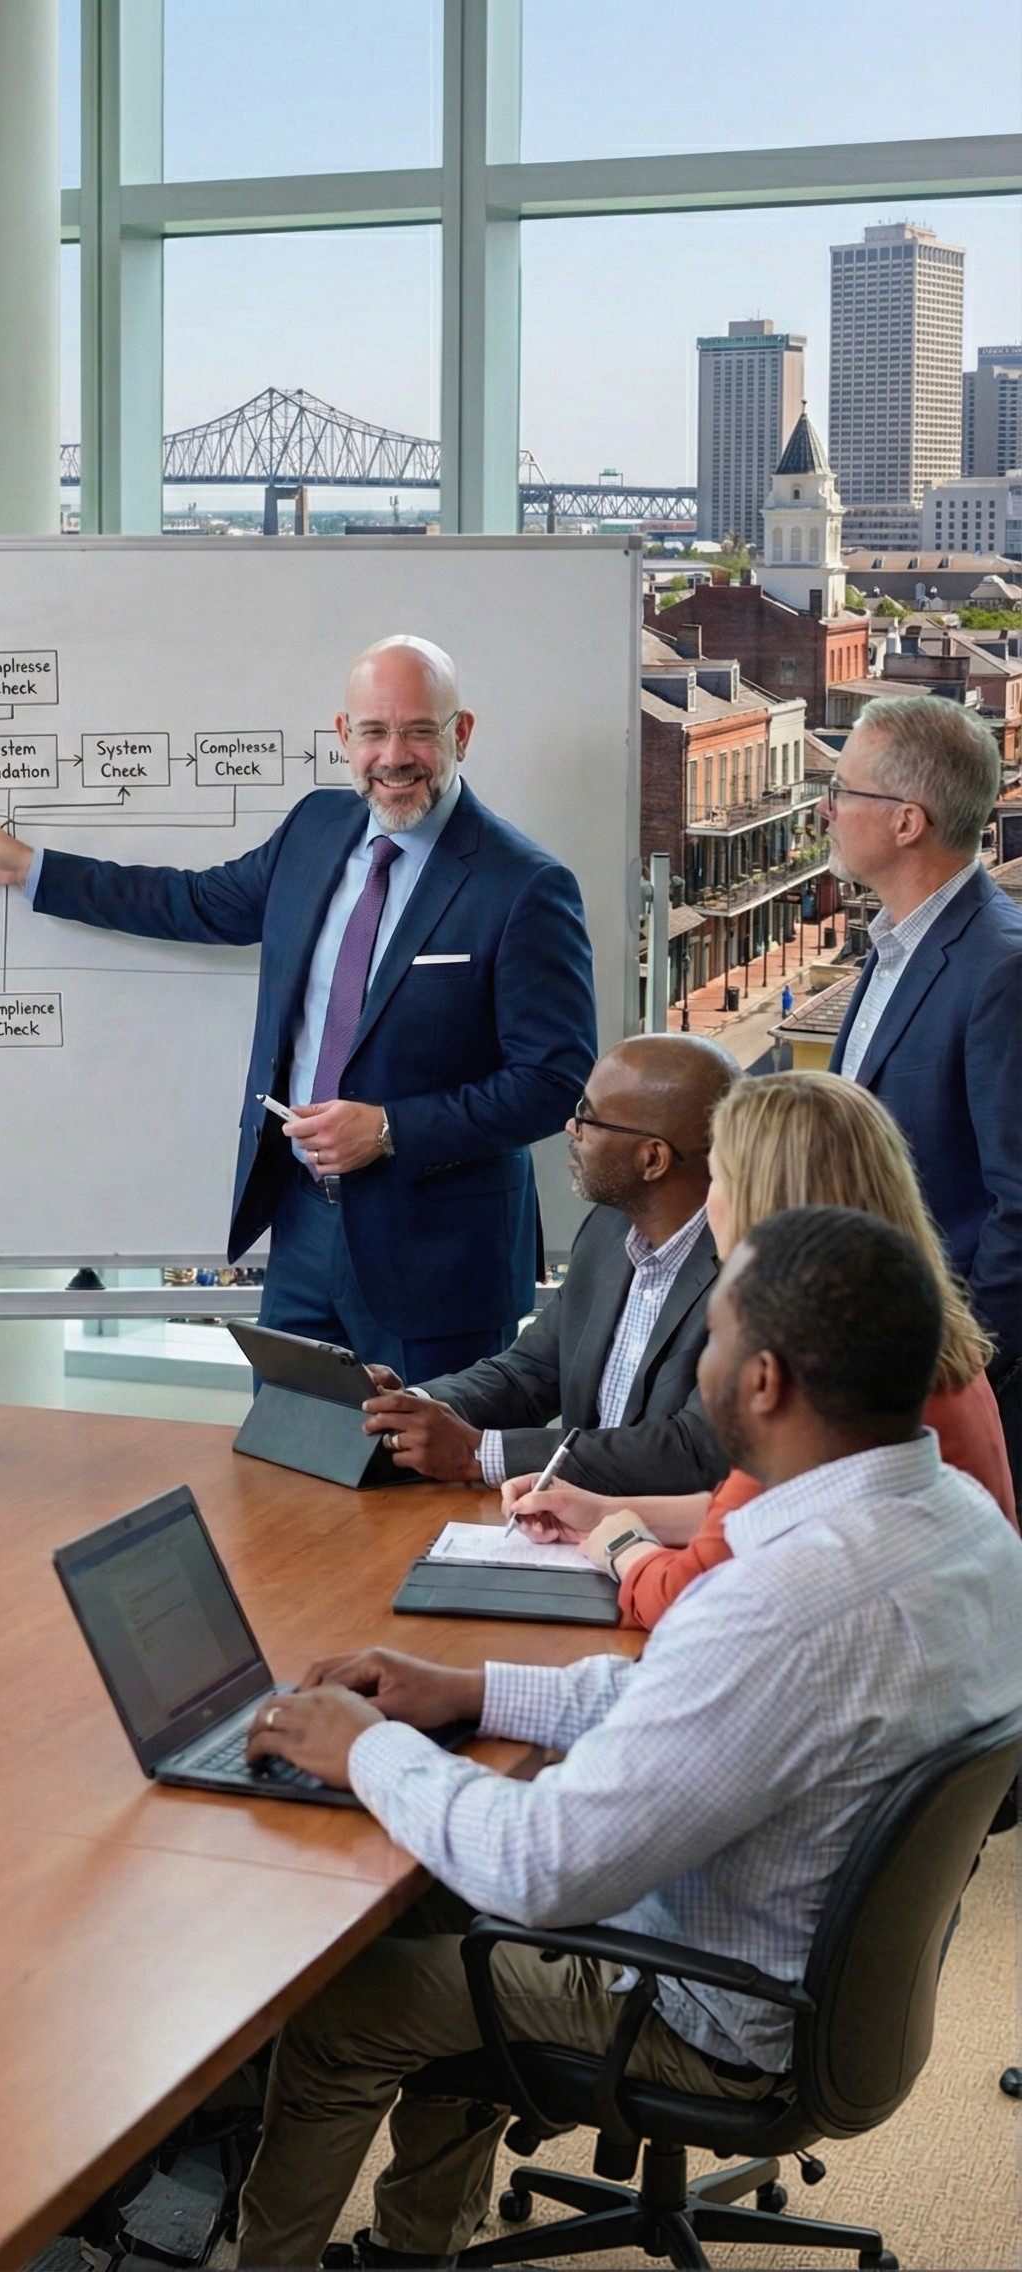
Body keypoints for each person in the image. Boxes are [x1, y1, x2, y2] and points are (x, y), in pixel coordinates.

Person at [234, 1207, 1022, 2267]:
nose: (699, 1367)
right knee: (432, 1899)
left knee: (343, 2008)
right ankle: (415, 2242)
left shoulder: (776, 1603)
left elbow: (538, 1869)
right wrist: (471, 1690)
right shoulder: (964, 1526)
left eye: (716, 1341)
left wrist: (360, 1746)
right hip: (819, 1977)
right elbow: (708, 1713)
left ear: (763, 1383)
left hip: (708, 2010)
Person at [0, 637, 597, 1379]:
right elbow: (191, 901)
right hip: (302, 1229)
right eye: (374, 732)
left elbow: (555, 1080)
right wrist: (30, 867)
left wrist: (388, 1129)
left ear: (461, 734)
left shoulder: (524, 885)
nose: (395, 756)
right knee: (283, 1464)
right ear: (344, 736)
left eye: (420, 730)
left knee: (418, 1486)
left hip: (440, 1259)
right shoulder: (315, 830)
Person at [511, 1073, 1015, 1624]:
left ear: (762, 1199)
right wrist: (605, 1509)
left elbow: (688, 1597)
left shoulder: (817, 1369)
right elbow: (752, 1511)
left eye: (719, 1178)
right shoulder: (906, 1330)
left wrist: (619, 1543)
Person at [358, 1034, 735, 1496]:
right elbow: (528, 1373)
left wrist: (478, 1453)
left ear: (652, 1158)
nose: (571, 1128)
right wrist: (410, 1407)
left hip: (665, 1544)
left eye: (588, 1117)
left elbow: (692, 1451)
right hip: (567, 1523)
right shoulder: (608, 1231)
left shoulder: (754, 1276)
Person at [824, 694, 1022, 1497]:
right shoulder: (893, 947)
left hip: (948, 1391)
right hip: (877, 1373)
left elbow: (1018, 1206)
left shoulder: (1001, 971)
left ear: (908, 822)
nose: (828, 809)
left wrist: (960, 1368)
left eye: (843, 791)